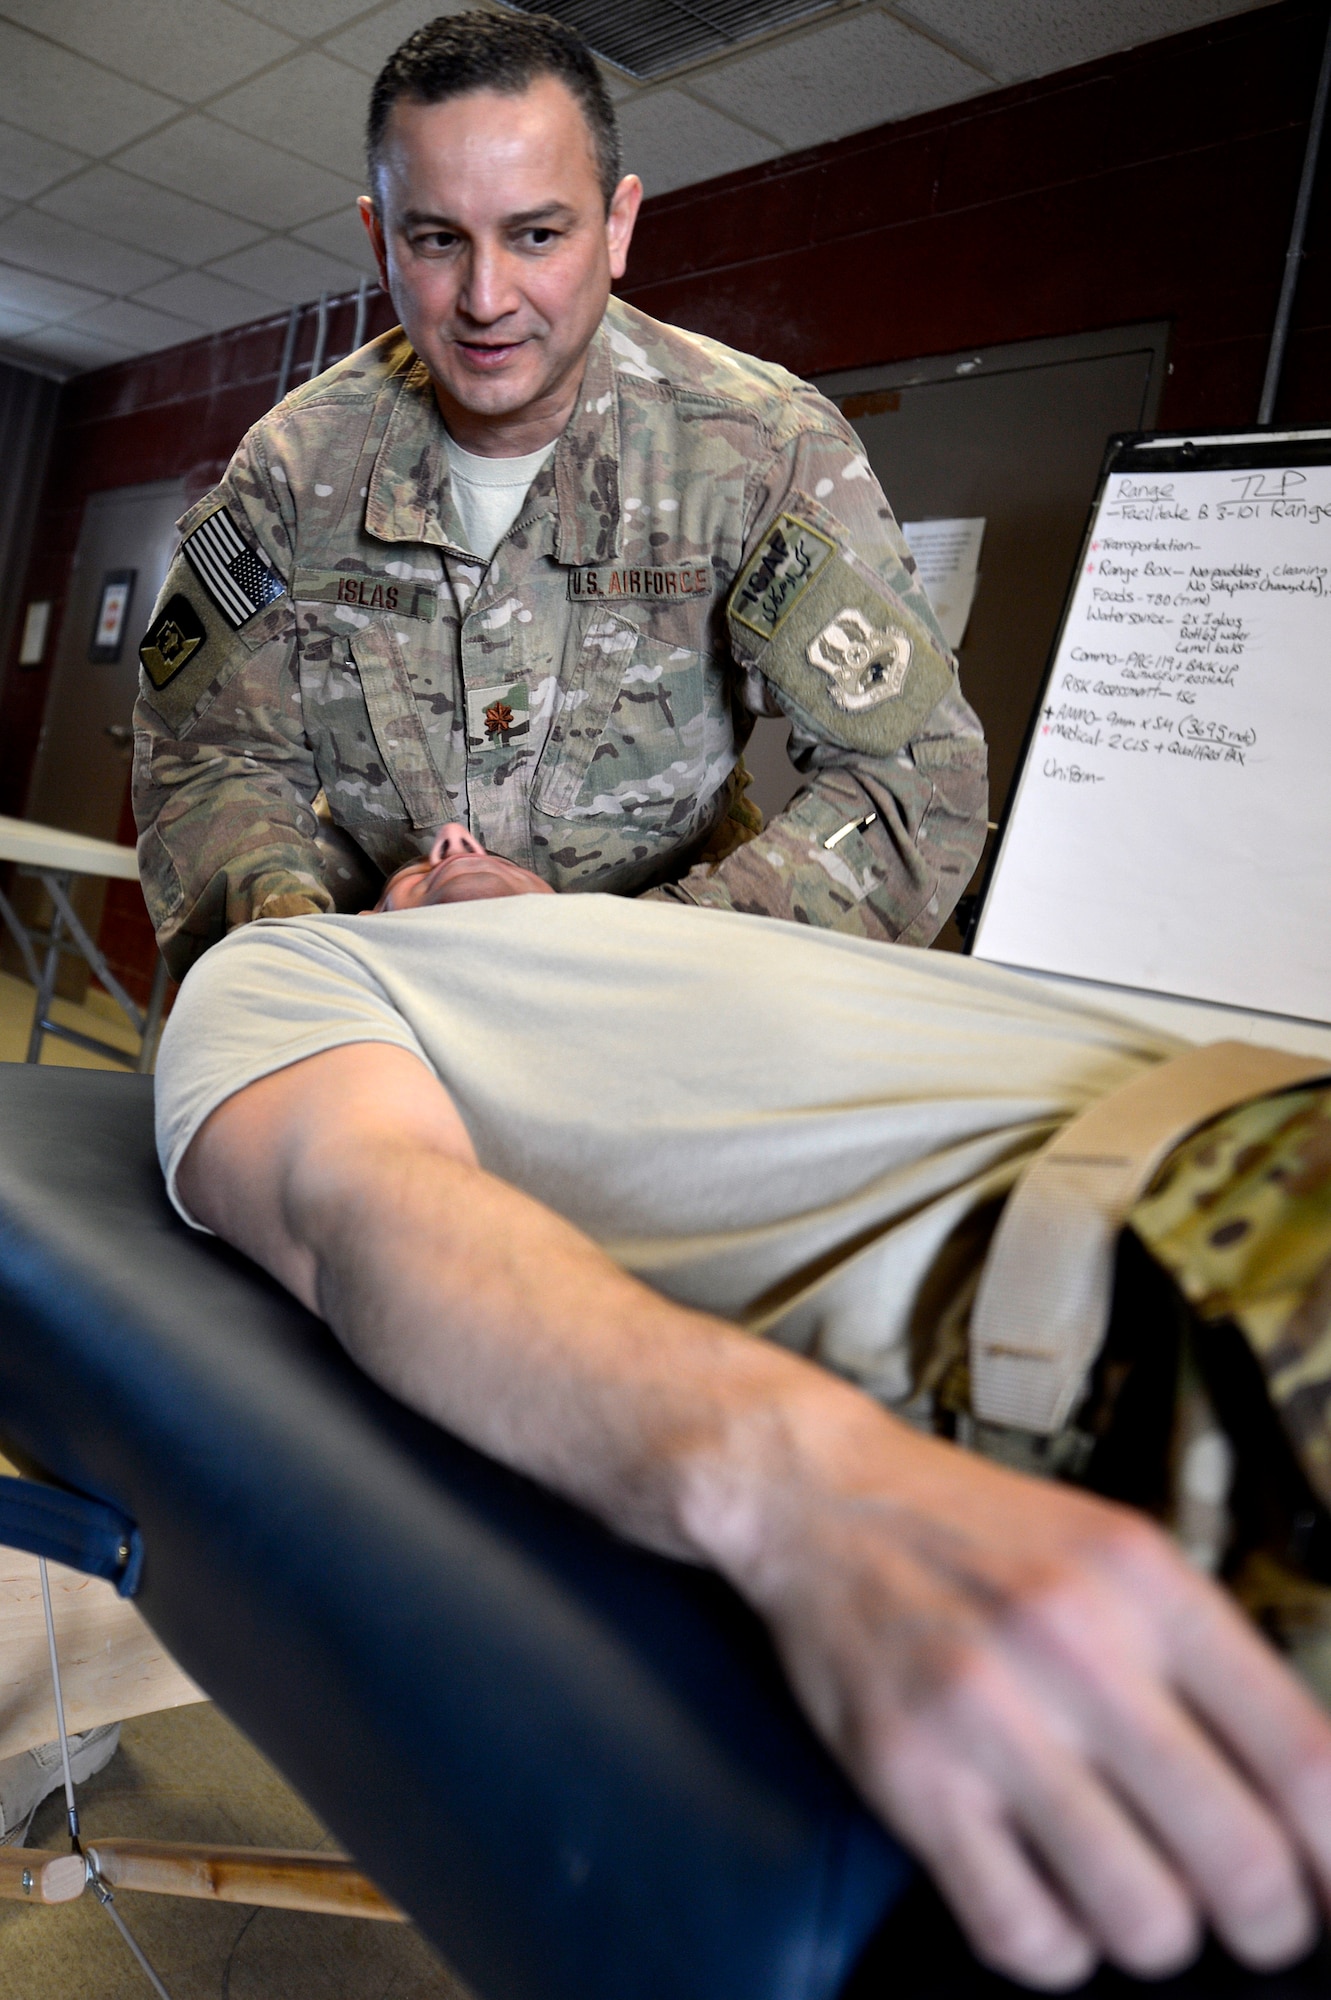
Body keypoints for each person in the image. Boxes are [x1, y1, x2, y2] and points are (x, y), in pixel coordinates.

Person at [153, 831, 1331, 1993]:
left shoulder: (731, 943)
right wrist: (818, 1489)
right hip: (1173, 1294)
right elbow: (352, 1199)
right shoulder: (315, 962)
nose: (451, 833)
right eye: (411, 863)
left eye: (471, 836)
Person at [132, 11, 987, 980]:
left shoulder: (755, 452)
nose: (486, 297)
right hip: (379, 993)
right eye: (437, 239)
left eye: (536, 234)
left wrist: (625, 964)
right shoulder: (295, 471)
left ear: (616, 226)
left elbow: (913, 775)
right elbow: (211, 756)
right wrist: (309, 955)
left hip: (670, 998)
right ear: (379, 238)